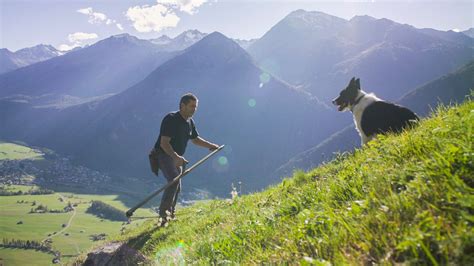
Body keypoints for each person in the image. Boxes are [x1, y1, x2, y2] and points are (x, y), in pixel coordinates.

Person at [154, 93, 219, 226]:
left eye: (195, 107)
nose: (194, 109)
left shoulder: (190, 122)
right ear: (182, 105)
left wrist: (211, 146)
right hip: (162, 154)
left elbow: (195, 139)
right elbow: (164, 143)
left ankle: (169, 214)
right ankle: (163, 218)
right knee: (173, 181)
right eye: (191, 106)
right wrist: (176, 157)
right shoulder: (171, 119)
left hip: (175, 157)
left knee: (177, 185)